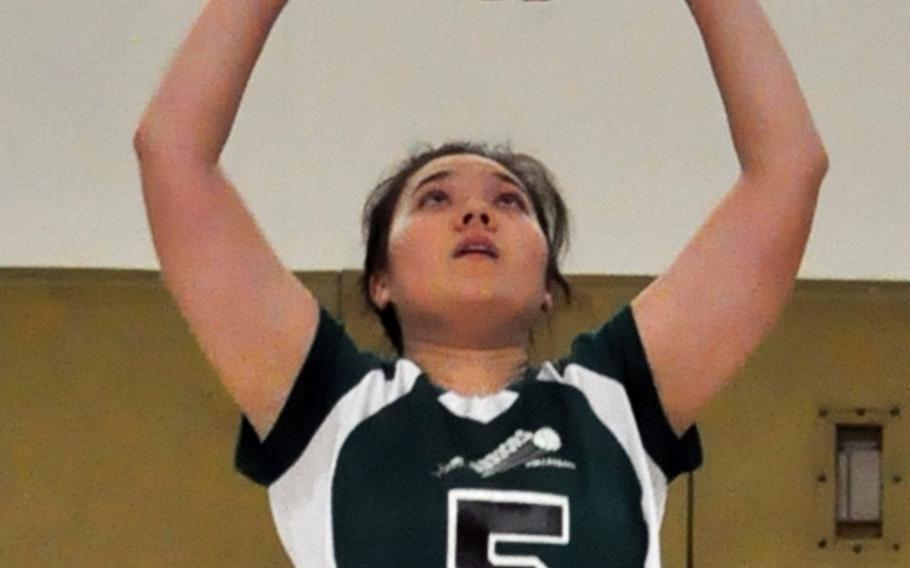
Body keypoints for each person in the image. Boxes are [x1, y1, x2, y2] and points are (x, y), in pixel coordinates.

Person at [132, 0, 828, 566]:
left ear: (549, 284)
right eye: (435, 199)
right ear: (380, 281)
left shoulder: (617, 400)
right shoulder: (329, 411)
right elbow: (173, 155)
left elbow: (788, 170)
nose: (476, 211)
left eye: (510, 201)